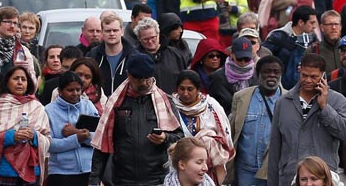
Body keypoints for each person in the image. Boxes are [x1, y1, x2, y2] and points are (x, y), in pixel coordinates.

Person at [88, 53, 184, 186]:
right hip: (122, 178)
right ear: (129, 75)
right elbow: (102, 143)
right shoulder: (116, 102)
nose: (144, 83)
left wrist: (165, 137)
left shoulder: (165, 101)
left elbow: (180, 137)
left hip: (157, 178)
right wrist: (94, 179)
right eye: (139, 79)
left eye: (147, 79)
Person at [268, 54, 346, 186]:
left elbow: (345, 132)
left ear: (323, 75)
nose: (308, 80)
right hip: (289, 177)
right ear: (299, 71)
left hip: (323, 178)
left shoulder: (338, 101)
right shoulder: (283, 102)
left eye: (314, 77)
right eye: (304, 75)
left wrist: (325, 107)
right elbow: (275, 147)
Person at [0, 65, 51, 186]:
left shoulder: (37, 107)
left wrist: (34, 136)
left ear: (28, 84)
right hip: (3, 173)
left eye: (23, 79)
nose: (20, 82)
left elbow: (47, 140)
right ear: (7, 82)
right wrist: (11, 136)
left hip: (31, 174)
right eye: (16, 78)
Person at [226, 55, 284, 186]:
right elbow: (232, 132)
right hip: (245, 170)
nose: (271, 75)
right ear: (258, 75)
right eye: (266, 72)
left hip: (274, 170)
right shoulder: (241, 97)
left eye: (276, 72)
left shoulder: (289, 100)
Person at [171, 70, 234, 185]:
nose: (185, 93)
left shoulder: (211, 106)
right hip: (179, 164)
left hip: (207, 167)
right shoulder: (170, 106)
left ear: (198, 89)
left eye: (190, 89)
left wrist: (207, 141)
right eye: (182, 89)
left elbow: (225, 136)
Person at [44, 71, 99, 186]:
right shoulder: (48, 111)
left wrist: (77, 133)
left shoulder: (88, 106)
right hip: (60, 172)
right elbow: (50, 144)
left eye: (78, 90)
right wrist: (76, 139)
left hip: (88, 170)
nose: (75, 93)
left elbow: (98, 138)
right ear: (59, 91)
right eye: (70, 90)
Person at [263, 5, 319, 90]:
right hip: (279, 88)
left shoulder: (312, 39)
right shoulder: (279, 37)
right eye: (311, 23)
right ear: (300, 22)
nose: (314, 26)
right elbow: (264, 57)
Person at [86, 12, 136, 96]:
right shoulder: (92, 56)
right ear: (102, 33)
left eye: (115, 30)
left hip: (126, 107)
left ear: (122, 31)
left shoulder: (134, 56)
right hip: (100, 106)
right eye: (108, 31)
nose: (112, 34)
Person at [135, 17, 187, 93]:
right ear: (139, 39)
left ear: (158, 34)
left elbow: (185, 79)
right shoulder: (135, 57)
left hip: (173, 101)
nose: (150, 41)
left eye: (153, 37)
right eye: (145, 39)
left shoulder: (175, 54)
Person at [0, 6, 37, 81]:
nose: (12, 26)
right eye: (8, 22)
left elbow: (33, 87)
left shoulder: (23, 51)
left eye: (15, 23)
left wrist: (26, 73)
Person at [208, 37, 258, 114]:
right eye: (239, 58)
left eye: (246, 59)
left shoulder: (257, 75)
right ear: (231, 54)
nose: (243, 62)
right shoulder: (218, 77)